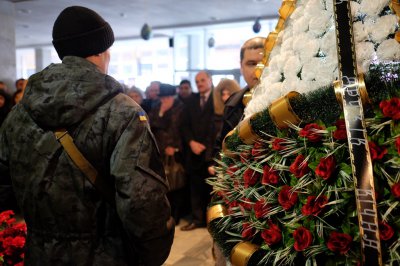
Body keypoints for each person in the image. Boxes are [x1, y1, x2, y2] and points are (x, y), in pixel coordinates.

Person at [0, 6, 174, 266]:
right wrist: (151, 255)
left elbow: (4, 189)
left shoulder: (17, 115)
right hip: (107, 255)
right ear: (102, 51)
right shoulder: (122, 112)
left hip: (39, 254)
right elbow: (141, 203)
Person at [180, 70, 216, 231]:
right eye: (197, 81)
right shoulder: (191, 100)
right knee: (195, 188)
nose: (199, 83)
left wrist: (207, 146)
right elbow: (184, 125)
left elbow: (218, 126)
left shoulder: (217, 99)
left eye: (202, 80)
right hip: (193, 152)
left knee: (211, 188)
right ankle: (197, 219)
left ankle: (212, 220)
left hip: (211, 152)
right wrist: (191, 142)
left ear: (209, 80)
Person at [217, 37, 266, 145]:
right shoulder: (232, 104)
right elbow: (221, 145)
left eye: (264, 62)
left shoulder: (288, 99)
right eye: (252, 64)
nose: (258, 70)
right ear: (241, 67)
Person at [148, 83, 185, 224]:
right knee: (163, 184)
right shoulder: (157, 107)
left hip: (175, 151)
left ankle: (176, 215)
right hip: (159, 150)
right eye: (162, 97)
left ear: (172, 96)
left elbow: (178, 129)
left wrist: (175, 147)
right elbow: (152, 126)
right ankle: (165, 214)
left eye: (167, 97)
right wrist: (162, 112)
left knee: (176, 182)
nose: (164, 100)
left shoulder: (180, 108)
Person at [208, 78, 241, 175]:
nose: (225, 97)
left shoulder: (237, 113)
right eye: (223, 94)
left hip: (234, 156)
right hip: (219, 155)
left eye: (228, 93)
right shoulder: (215, 113)